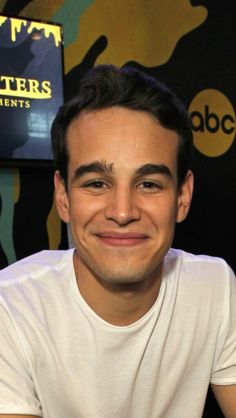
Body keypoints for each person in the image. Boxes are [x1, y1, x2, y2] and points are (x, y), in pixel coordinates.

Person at [0, 65, 235, 418]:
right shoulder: (11, 307)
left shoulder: (214, 286)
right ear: (63, 197)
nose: (122, 212)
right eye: (97, 183)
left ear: (182, 197)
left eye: (149, 184)